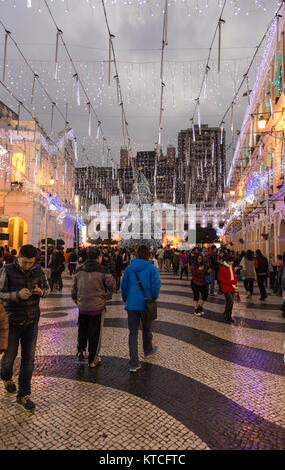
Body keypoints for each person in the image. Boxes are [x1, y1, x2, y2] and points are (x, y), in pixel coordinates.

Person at [0, 244, 50, 411]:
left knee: (28, 360)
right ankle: (6, 376)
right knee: (9, 358)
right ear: (18, 258)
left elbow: (47, 288)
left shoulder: (38, 270)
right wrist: (16, 295)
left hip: (32, 320)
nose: (27, 266)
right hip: (12, 321)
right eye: (24, 262)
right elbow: (0, 293)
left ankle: (23, 395)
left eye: (30, 263)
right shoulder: (6, 270)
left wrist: (41, 292)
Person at [72, 247, 116, 367]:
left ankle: (80, 350)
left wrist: (77, 300)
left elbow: (74, 288)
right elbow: (112, 285)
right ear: (98, 257)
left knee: (82, 329)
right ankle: (92, 359)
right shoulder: (103, 270)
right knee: (95, 333)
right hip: (97, 307)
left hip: (82, 306)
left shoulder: (79, 269)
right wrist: (107, 295)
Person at [121, 245, 161, 372]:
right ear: (148, 254)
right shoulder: (152, 268)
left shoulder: (129, 268)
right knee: (147, 328)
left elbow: (124, 286)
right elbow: (156, 286)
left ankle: (133, 363)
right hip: (146, 303)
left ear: (136, 254)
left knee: (132, 333)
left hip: (132, 304)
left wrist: (126, 298)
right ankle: (148, 350)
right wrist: (153, 297)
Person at [218, 254, 238, 324]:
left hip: (232, 286)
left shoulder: (232, 268)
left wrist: (235, 282)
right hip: (226, 287)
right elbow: (220, 278)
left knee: (230, 302)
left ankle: (227, 314)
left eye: (232, 261)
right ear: (227, 261)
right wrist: (229, 282)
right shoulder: (223, 268)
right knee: (231, 301)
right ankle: (227, 315)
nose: (232, 263)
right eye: (230, 261)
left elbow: (234, 276)